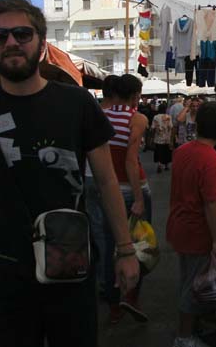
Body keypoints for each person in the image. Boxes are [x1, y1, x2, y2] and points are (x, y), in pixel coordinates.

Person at [0, 0, 139, 347]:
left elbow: (107, 181)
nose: (11, 42)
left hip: (68, 261)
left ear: (42, 44)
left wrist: (125, 250)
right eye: (1, 36)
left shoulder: (76, 102)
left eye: (21, 33)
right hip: (4, 271)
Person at [167, 102, 216, 347]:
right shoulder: (213, 160)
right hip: (196, 231)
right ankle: (184, 337)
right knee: (193, 287)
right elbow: (212, 204)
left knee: (188, 280)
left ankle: (192, 327)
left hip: (179, 225)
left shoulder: (182, 151)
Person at [102, 74, 152, 323]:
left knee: (111, 244)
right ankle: (130, 296)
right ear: (135, 95)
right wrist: (139, 198)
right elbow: (131, 161)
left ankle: (113, 304)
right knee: (140, 245)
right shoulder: (137, 118)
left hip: (108, 189)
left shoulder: (102, 115)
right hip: (132, 188)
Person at [85, 74, 120, 291]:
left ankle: (100, 275)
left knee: (96, 229)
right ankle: (108, 278)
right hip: (107, 177)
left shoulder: (90, 110)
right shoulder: (122, 116)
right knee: (111, 232)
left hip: (87, 176)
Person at [152, 102, 173, 172]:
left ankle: (159, 164)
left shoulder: (155, 117)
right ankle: (166, 165)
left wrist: (152, 136)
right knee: (166, 152)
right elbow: (171, 127)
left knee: (159, 152)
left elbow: (153, 127)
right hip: (167, 138)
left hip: (158, 138)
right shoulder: (168, 117)